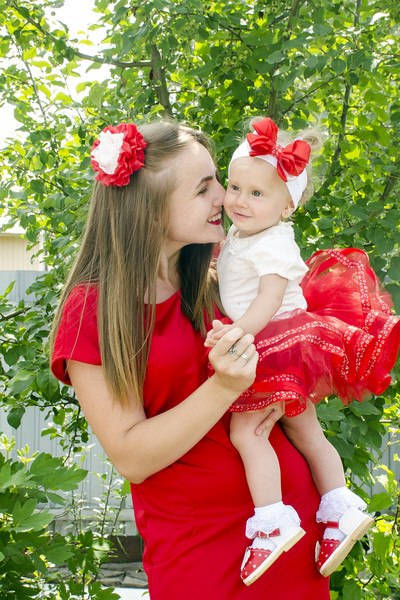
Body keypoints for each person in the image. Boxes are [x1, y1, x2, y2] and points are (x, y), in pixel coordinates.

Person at [50, 120, 331, 600]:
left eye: (218, 179)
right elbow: (132, 457)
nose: (224, 196)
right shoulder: (92, 311)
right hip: (202, 550)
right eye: (204, 188)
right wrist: (224, 387)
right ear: (150, 209)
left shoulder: (221, 276)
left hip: (286, 530)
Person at [205, 117, 400, 584]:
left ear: (287, 204)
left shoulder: (274, 241)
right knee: (306, 430)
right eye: (235, 187)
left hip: (276, 341)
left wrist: (237, 335)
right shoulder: (245, 234)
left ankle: (272, 521)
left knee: (247, 432)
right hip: (286, 343)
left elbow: (269, 297)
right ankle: (340, 509)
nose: (240, 201)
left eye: (257, 193)